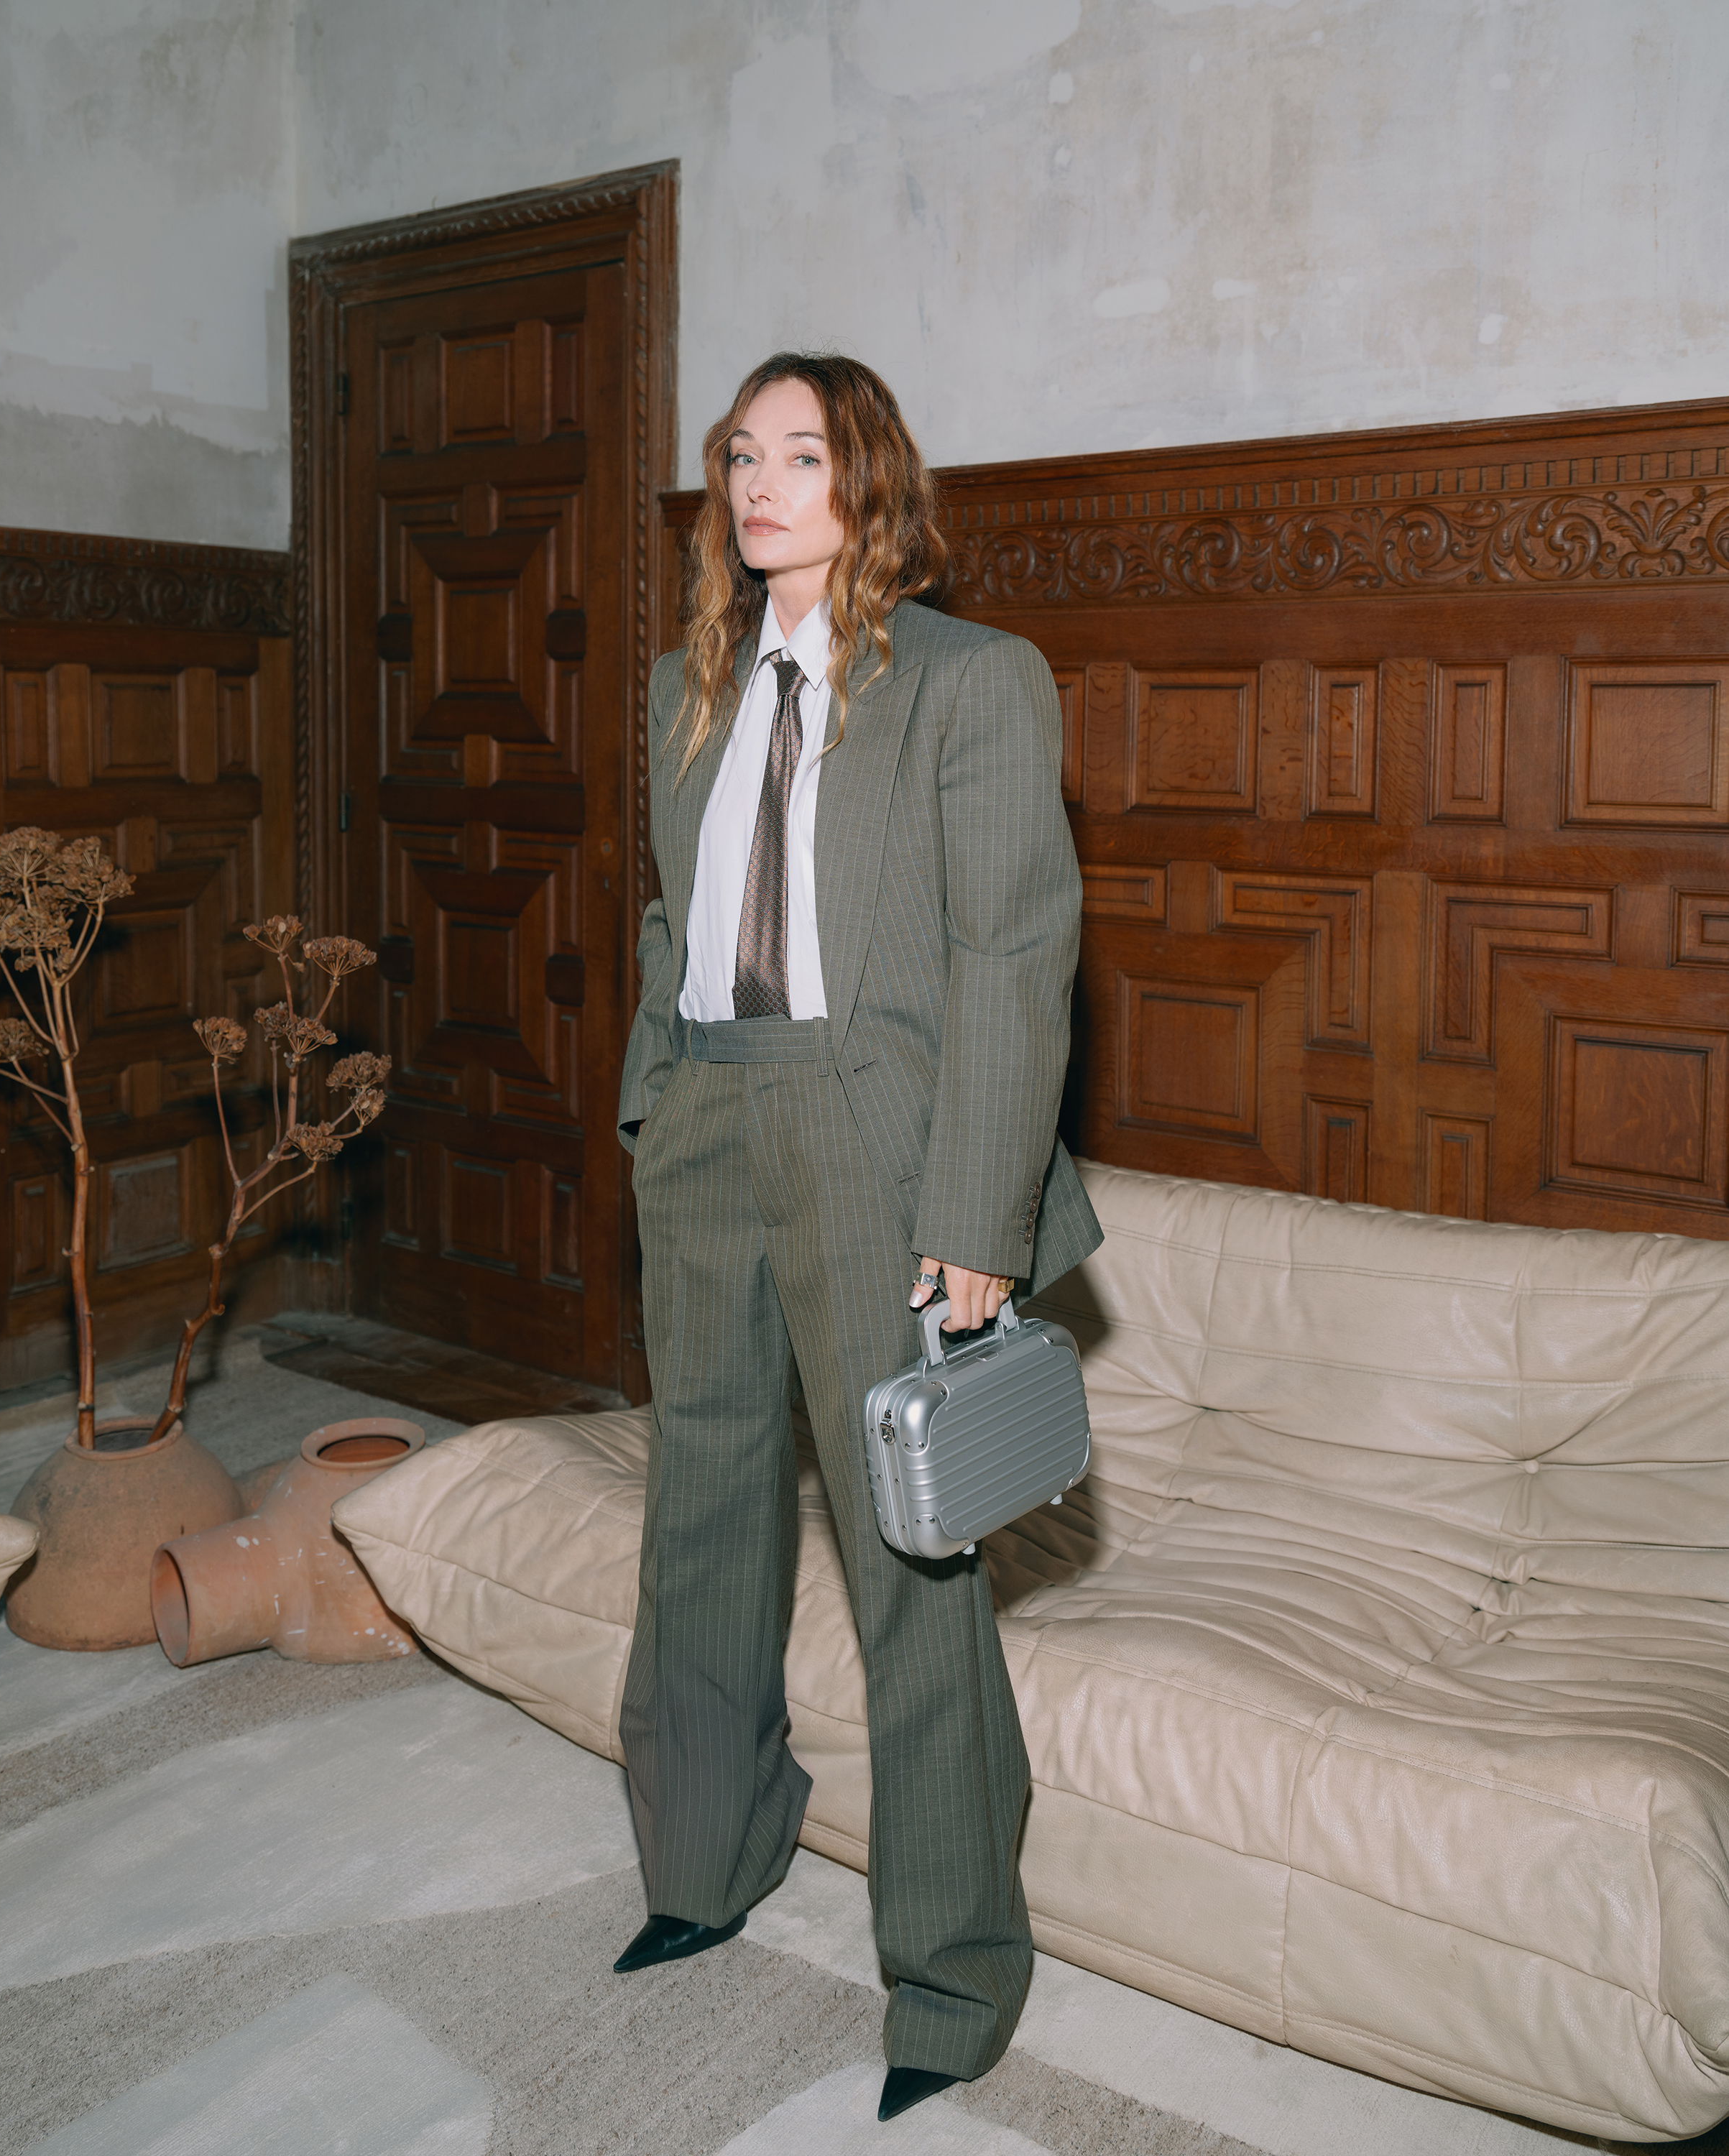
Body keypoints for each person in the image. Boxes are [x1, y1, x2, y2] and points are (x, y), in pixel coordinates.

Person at [614, 351, 1102, 2124]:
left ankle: (954, 1974)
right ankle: (701, 1861)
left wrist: (977, 1216)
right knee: (699, 1512)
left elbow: (1014, 956)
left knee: (913, 1554)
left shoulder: (972, 680)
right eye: (738, 456)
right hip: (708, 1119)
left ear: (867, 479)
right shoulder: (683, 684)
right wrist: (651, 1098)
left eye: (799, 454)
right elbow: (675, 914)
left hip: (872, 1143)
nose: (758, 485)